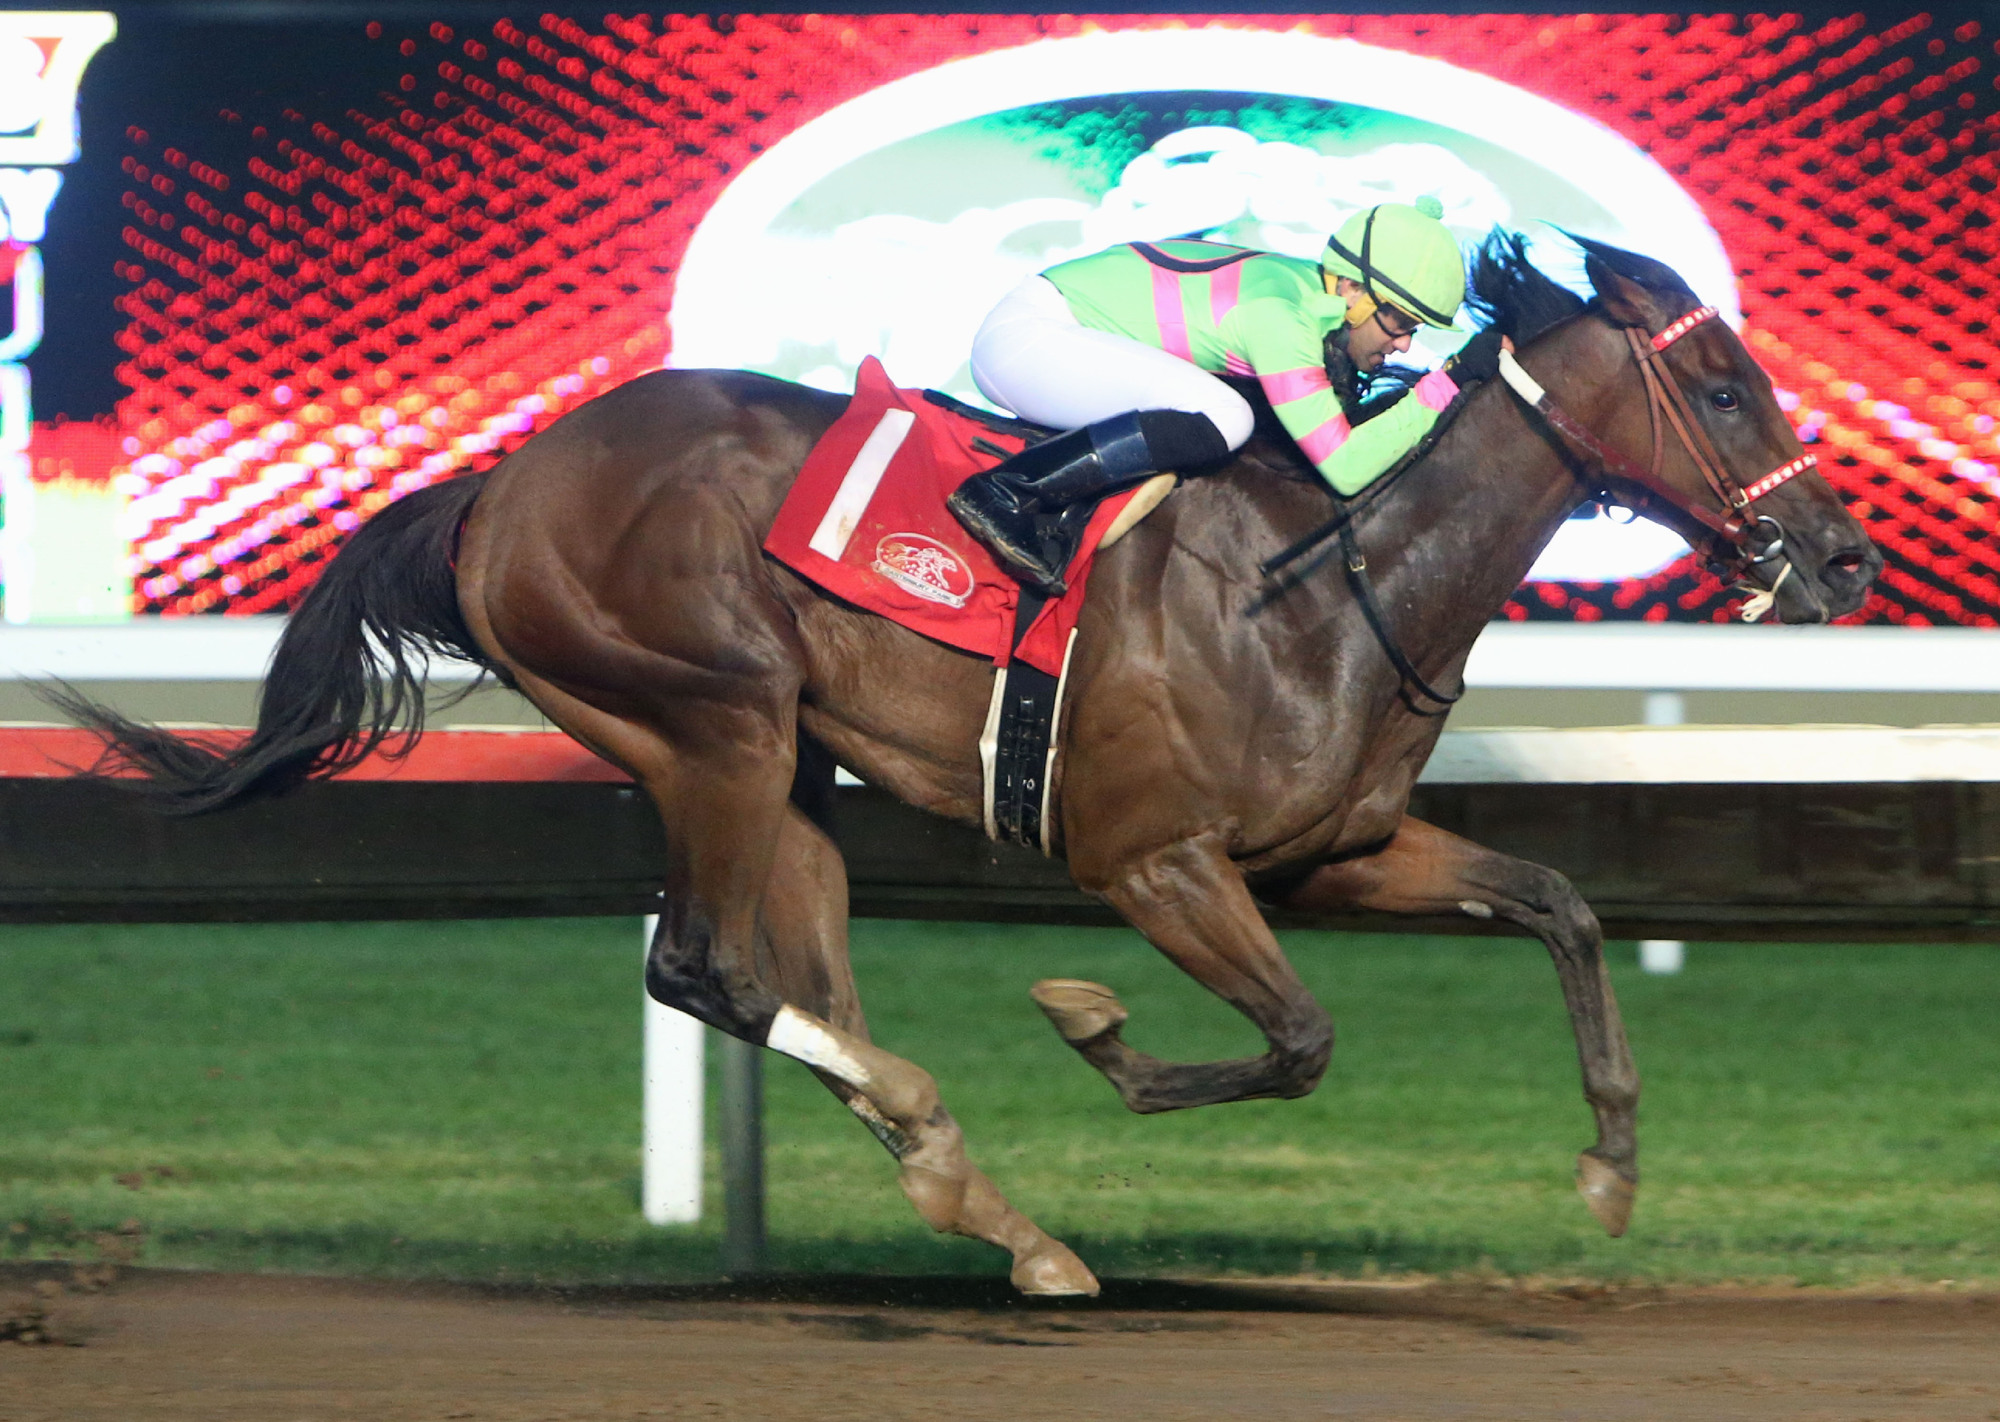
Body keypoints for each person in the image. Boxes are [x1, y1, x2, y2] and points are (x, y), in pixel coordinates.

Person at [950, 198, 1506, 593]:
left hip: (1043, 332)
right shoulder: (1282, 319)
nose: (1404, 344)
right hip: (1030, 341)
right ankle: (1007, 493)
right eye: (1399, 322)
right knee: (1226, 414)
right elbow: (1346, 467)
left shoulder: (1304, 291)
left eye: (1414, 330)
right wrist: (1450, 379)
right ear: (1352, 289)